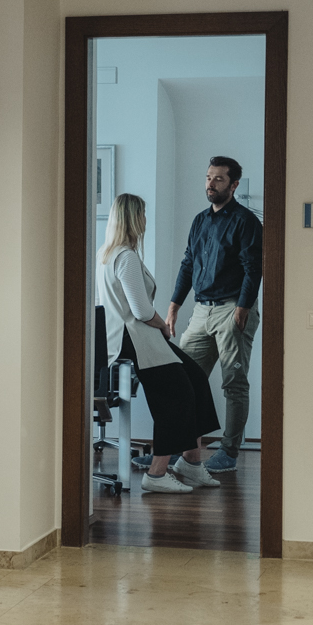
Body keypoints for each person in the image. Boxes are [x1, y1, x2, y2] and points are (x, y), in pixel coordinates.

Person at [100, 193, 222, 494]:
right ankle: (156, 474)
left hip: (137, 337)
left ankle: (191, 463)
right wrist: (164, 326)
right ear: (134, 218)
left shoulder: (109, 253)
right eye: (142, 214)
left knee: (196, 380)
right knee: (177, 396)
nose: (145, 219)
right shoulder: (125, 257)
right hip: (135, 339)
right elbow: (141, 311)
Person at [164, 156, 264, 472]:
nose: (211, 183)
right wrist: (174, 306)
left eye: (219, 178)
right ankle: (174, 451)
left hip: (232, 308)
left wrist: (242, 309)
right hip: (201, 310)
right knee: (183, 381)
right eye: (208, 177)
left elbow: (253, 268)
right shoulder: (200, 221)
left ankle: (229, 452)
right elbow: (188, 264)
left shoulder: (246, 221)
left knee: (234, 383)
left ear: (234, 185)